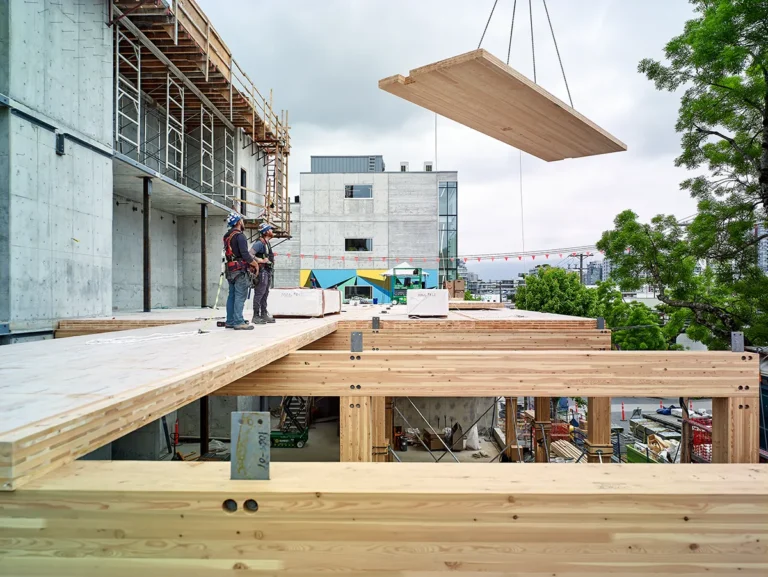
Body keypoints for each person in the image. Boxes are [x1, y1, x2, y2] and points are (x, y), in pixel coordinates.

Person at [223, 213, 257, 330]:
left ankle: (230, 320)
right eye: (241, 220)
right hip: (239, 270)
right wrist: (255, 264)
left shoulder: (227, 235)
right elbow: (245, 254)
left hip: (230, 270)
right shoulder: (240, 236)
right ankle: (238, 321)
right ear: (238, 222)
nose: (243, 222)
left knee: (232, 295)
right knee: (240, 296)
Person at [250, 222, 276, 324]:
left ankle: (263, 314)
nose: (272, 231)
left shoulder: (266, 243)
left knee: (265, 294)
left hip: (267, 272)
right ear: (266, 232)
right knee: (259, 294)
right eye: (271, 229)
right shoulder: (259, 243)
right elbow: (250, 254)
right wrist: (260, 260)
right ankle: (256, 316)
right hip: (262, 272)